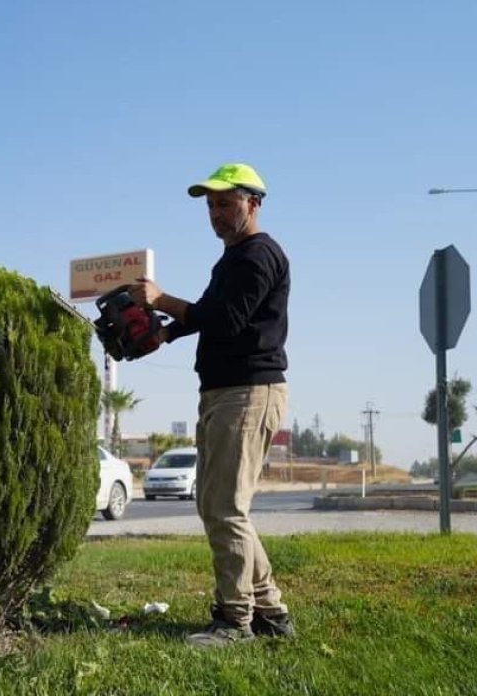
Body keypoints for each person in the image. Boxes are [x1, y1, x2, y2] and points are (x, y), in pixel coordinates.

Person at [130, 162, 293, 647]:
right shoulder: (233, 259)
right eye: (211, 205)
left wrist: (162, 299)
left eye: (226, 203)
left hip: (248, 391)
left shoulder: (258, 255)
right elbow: (206, 310)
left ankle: (235, 621)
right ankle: (271, 612)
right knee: (218, 504)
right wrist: (164, 331)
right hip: (224, 391)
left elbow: (224, 319)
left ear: (253, 203)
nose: (217, 213)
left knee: (225, 508)